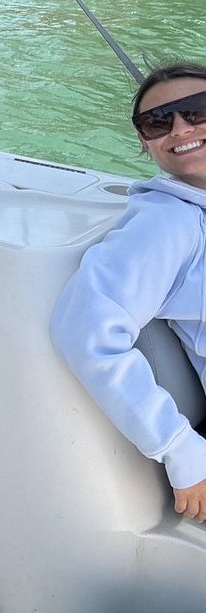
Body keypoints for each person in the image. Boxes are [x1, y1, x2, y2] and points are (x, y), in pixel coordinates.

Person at [51, 60, 206, 523]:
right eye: (158, 121)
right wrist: (180, 448)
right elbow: (84, 332)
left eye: (197, 110)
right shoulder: (168, 222)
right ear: (145, 141)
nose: (180, 128)